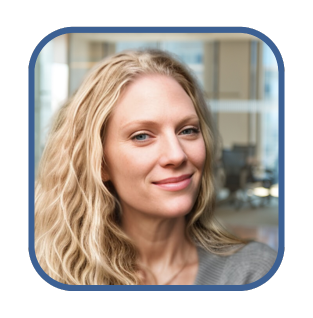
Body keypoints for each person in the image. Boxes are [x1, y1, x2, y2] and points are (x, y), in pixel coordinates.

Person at [35, 49, 277, 285]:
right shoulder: (52, 271)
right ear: (100, 164)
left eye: (188, 130)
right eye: (142, 136)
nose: (176, 155)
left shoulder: (253, 271)